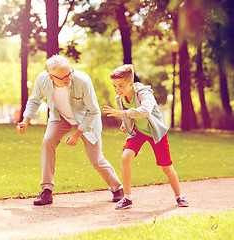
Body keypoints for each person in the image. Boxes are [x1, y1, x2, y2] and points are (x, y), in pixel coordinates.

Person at [17, 55, 123, 206]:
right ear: (51, 76)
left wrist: (77, 134)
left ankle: (118, 188)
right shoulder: (42, 79)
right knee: (48, 141)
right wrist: (25, 121)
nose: (68, 78)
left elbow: (93, 111)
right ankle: (46, 191)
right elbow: (34, 100)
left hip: (86, 120)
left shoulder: (82, 80)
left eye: (69, 73)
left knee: (96, 159)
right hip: (60, 117)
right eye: (63, 77)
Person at [103, 64, 189, 210]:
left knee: (166, 168)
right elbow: (128, 115)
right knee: (126, 157)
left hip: (156, 133)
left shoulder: (144, 93)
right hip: (138, 132)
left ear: (131, 83)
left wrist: (123, 114)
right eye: (114, 86)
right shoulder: (120, 97)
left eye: (121, 86)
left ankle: (179, 196)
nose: (117, 90)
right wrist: (125, 124)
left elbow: (145, 111)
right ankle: (127, 198)